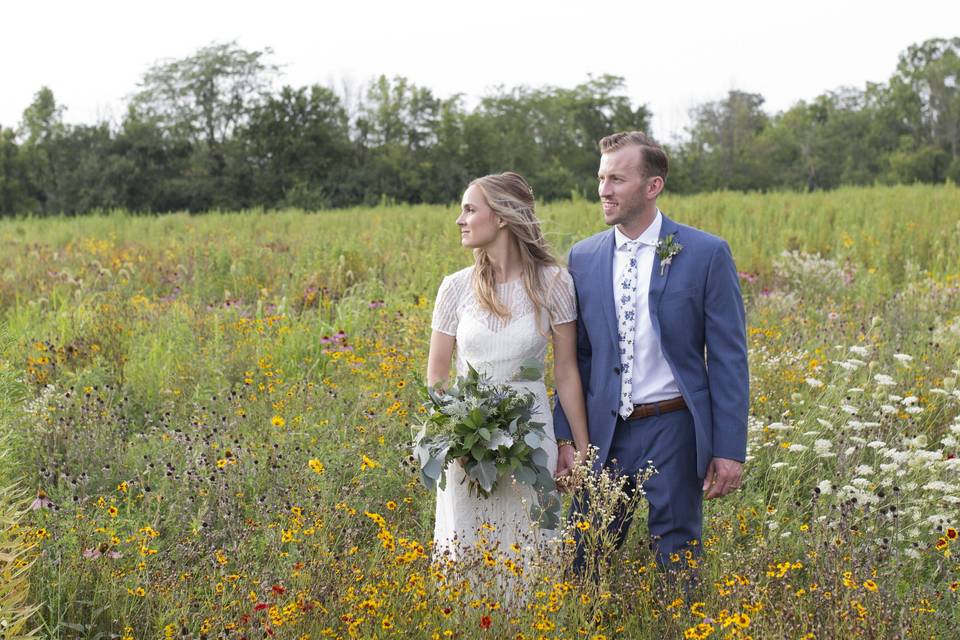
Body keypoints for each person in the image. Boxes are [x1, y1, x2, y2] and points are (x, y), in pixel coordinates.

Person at [553, 131, 748, 572]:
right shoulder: (583, 256)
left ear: (652, 186)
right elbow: (575, 357)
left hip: (674, 427)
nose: (604, 190)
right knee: (583, 556)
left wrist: (729, 448)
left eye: (617, 179)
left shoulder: (706, 253)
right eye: (602, 178)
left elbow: (728, 358)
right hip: (604, 432)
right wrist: (565, 435)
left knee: (678, 557)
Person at [427, 171, 590, 566]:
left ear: (501, 216)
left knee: (531, 552)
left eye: (469, 209)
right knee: (467, 556)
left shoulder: (554, 284)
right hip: (469, 453)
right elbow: (437, 375)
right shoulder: (456, 287)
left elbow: (566, 373)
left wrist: (581, 448)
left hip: (532, 445)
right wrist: (457, 436)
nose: (459, 219)